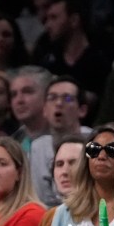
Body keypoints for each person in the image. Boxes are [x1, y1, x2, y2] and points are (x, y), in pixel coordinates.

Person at [29, 76, 92, 206]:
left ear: (82, 110)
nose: (58, 103)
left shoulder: (96, 141)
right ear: (44, 110)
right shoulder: (38, 147)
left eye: (67, 98)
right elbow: (38, 199)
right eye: (52, 98)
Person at [37, 135, 86, 226]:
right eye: (59, 164)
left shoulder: (108, 211)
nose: (64, 171)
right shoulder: (50, 218)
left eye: (73, 163)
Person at [9, 65, 52, 152]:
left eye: (27, 91)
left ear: (48, 95)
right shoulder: (11, 143)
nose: (19, 100)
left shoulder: (65, 138)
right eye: (14, 94)